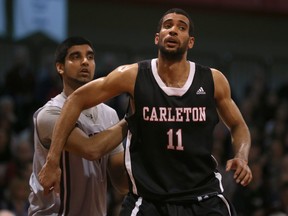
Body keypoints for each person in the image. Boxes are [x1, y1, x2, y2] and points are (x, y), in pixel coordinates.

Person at [39, 9, 253, 216]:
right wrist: (52, 161)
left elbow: (238, 125)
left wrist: (242, 156)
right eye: (167, 26)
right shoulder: (132, 75)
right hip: (150, 200)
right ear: (157, 38)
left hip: (204, 197)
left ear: (191, 42)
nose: (173, 31)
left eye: (181, 27)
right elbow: (76, 99)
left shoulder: (213, 80)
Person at [28, 36, 128, 216]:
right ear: (60, 67)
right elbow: (91, 149)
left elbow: (121, 184)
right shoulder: (49, 114)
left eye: (90, 57)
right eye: (75, 57)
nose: (85, 62)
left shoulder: (110, 114)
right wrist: (133, 119)